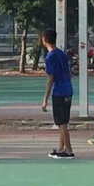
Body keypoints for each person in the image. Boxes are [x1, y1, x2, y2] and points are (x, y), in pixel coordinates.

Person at [41, 29, 74, 159]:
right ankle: (61, 148)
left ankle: (69, 150)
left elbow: (50, 79)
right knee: (63, 121)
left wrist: (45, 98)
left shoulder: (49, 57)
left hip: (59, 92)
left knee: (61, 122)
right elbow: (69, 73)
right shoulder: (61, 53)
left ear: (44, 40)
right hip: (68, 90)